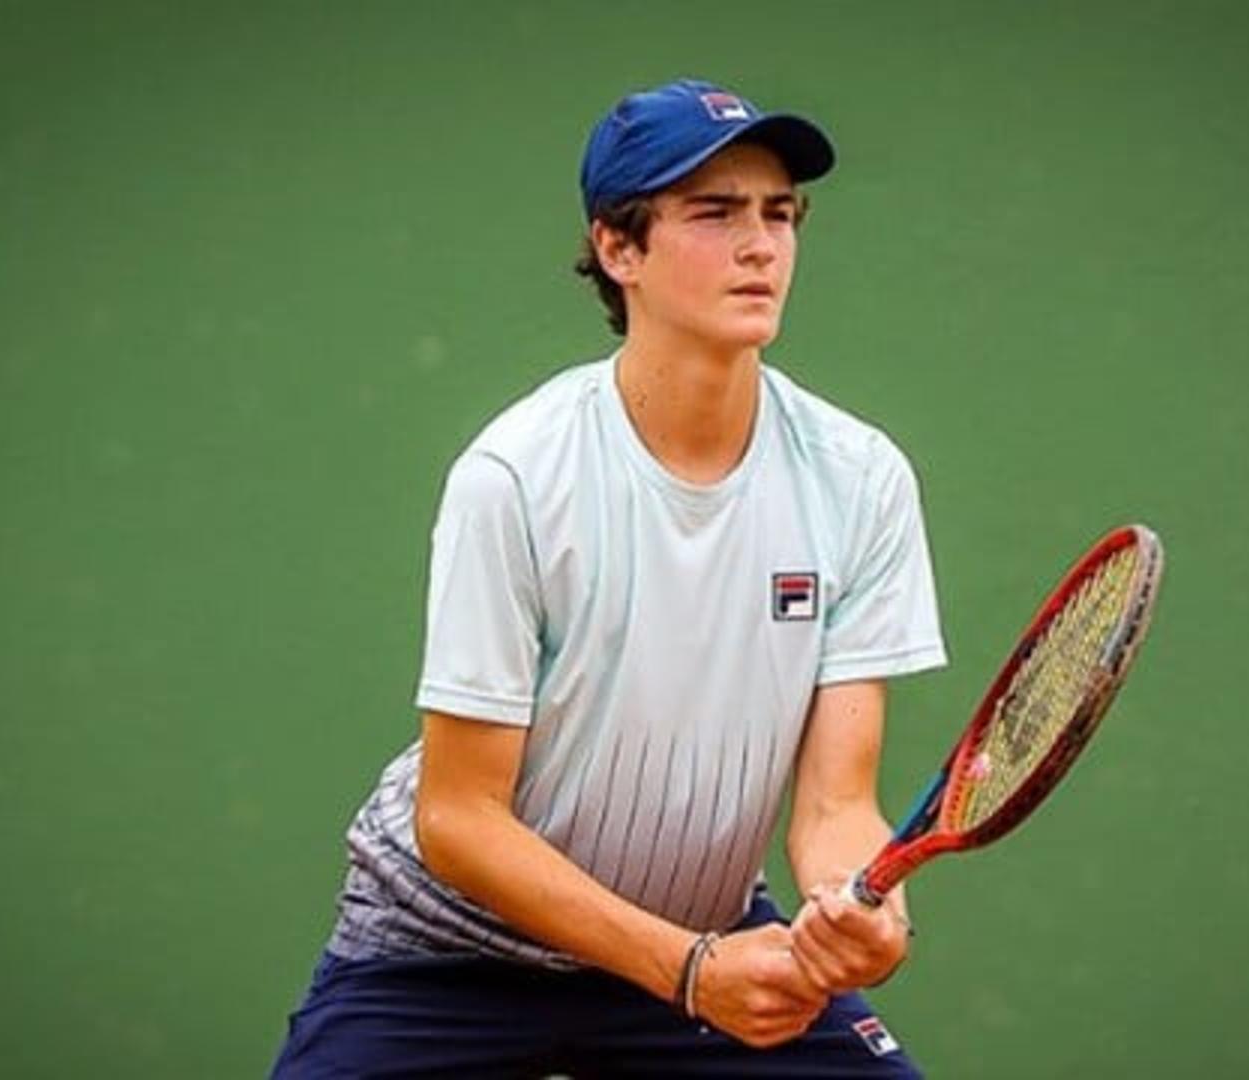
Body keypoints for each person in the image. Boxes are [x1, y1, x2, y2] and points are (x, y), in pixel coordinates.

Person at [270, 77, 947, 1078]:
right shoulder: (515, 477)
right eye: (715, 215)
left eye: (779, 214)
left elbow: (836, 804)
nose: (763, 245)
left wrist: (863, 906)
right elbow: (457, 818)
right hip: (449, 955)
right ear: (618, 248)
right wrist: (687, 972)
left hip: (703, 934)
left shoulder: (860, 478)